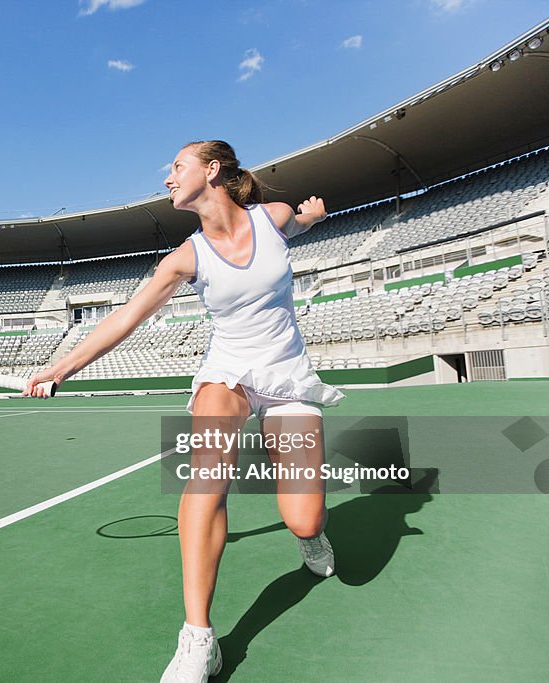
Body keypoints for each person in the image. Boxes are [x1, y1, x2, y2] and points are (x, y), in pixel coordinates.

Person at [24, 140, 344, 682]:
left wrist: (311, 215)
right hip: (227, 372)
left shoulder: (274, 216)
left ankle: (311, 536)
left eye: (177, 167)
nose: (167, 178)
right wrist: (61, 368)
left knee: (303, 516)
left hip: (287, 377)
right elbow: (125, 317)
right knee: (206, 478)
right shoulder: (185, 258)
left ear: (212, 170)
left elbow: (294, 228)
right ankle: (199, 636)